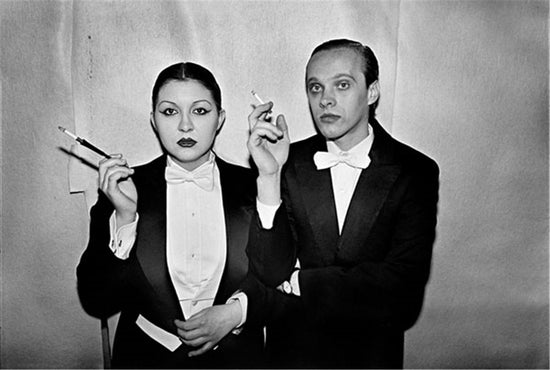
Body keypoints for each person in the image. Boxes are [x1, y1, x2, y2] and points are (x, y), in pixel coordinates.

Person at [247, 39, 440, 368]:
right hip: (291, 358)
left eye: (342, 85)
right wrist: (269, 177)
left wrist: (300, 282)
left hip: (370, 357)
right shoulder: (286, 162)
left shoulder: (415, 171)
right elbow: (268, 271)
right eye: (315, 88)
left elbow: (403, 294)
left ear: (372, 91)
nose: (326, 100)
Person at [77, 62, 265, 368]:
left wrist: (237, 312)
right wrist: (125, 219)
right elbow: (96, 299)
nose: (185, 126)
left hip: (236, 359)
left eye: (200, 111)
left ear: (221, 119)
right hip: (144, 359)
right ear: (153, 120)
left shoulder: (257, 185)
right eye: (169, 111)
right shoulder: (123, 189)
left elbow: (281, 281)